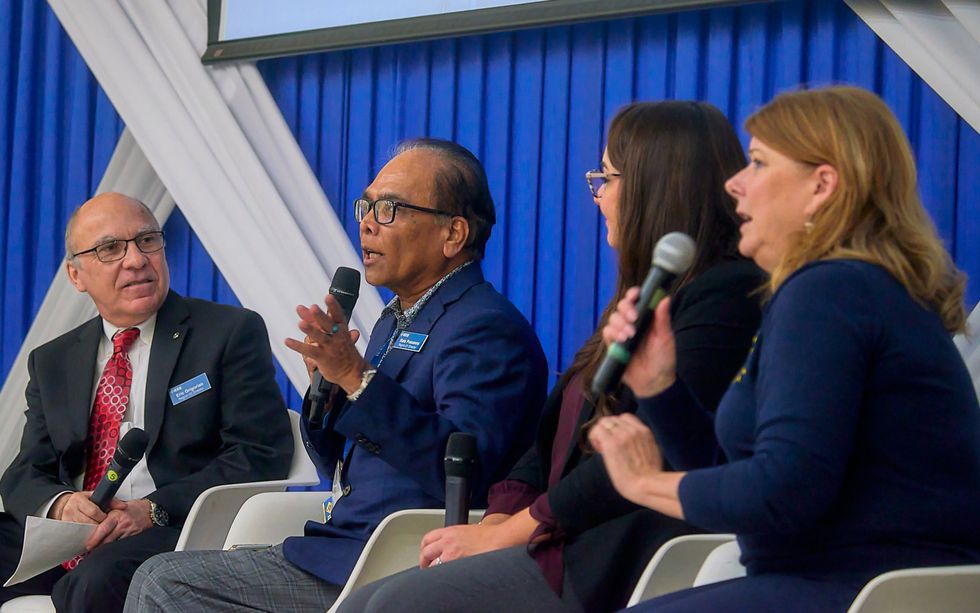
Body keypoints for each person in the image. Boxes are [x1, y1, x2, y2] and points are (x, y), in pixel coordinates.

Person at [338, 101, 766, 613]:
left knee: (396, 605)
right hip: (553, 539)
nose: (599, 197)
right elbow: (550, 438)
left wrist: (516, 530)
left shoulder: (725, 295)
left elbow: (635, 451)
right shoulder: (649, 289)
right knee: (368, 602)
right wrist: (504, 514)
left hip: (611, 554)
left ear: (657, 183)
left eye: (606, 179)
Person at [592, 86, 980, 612]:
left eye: (757, 163)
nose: (734, 184)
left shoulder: (829, 291)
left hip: (854, 588)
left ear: (822, 186)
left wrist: (645, 481)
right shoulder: (849, 288)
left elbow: (781, 494)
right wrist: (660, 387)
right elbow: (735, 473)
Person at [125, 138, 549, 612]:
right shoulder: (396, 318)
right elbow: (344, 470)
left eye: (390, 208)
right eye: (365, 205)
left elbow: (459, 473)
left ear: (452, 235)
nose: (367, 223)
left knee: (164, 581)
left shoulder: (484, 328)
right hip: (338, 544)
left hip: (391, 561)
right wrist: (326, 392)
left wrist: (357, 378)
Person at [0, 193, 293, 612]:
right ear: (76, 275)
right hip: (75, 532)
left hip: (170, 526)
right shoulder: (53, 359)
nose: (136, 260)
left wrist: (150, 510)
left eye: (147, 241)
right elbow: (27, 470)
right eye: (110, 249)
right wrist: (62, 505)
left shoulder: (227, 333)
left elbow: (259, 454)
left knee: (95, 582)